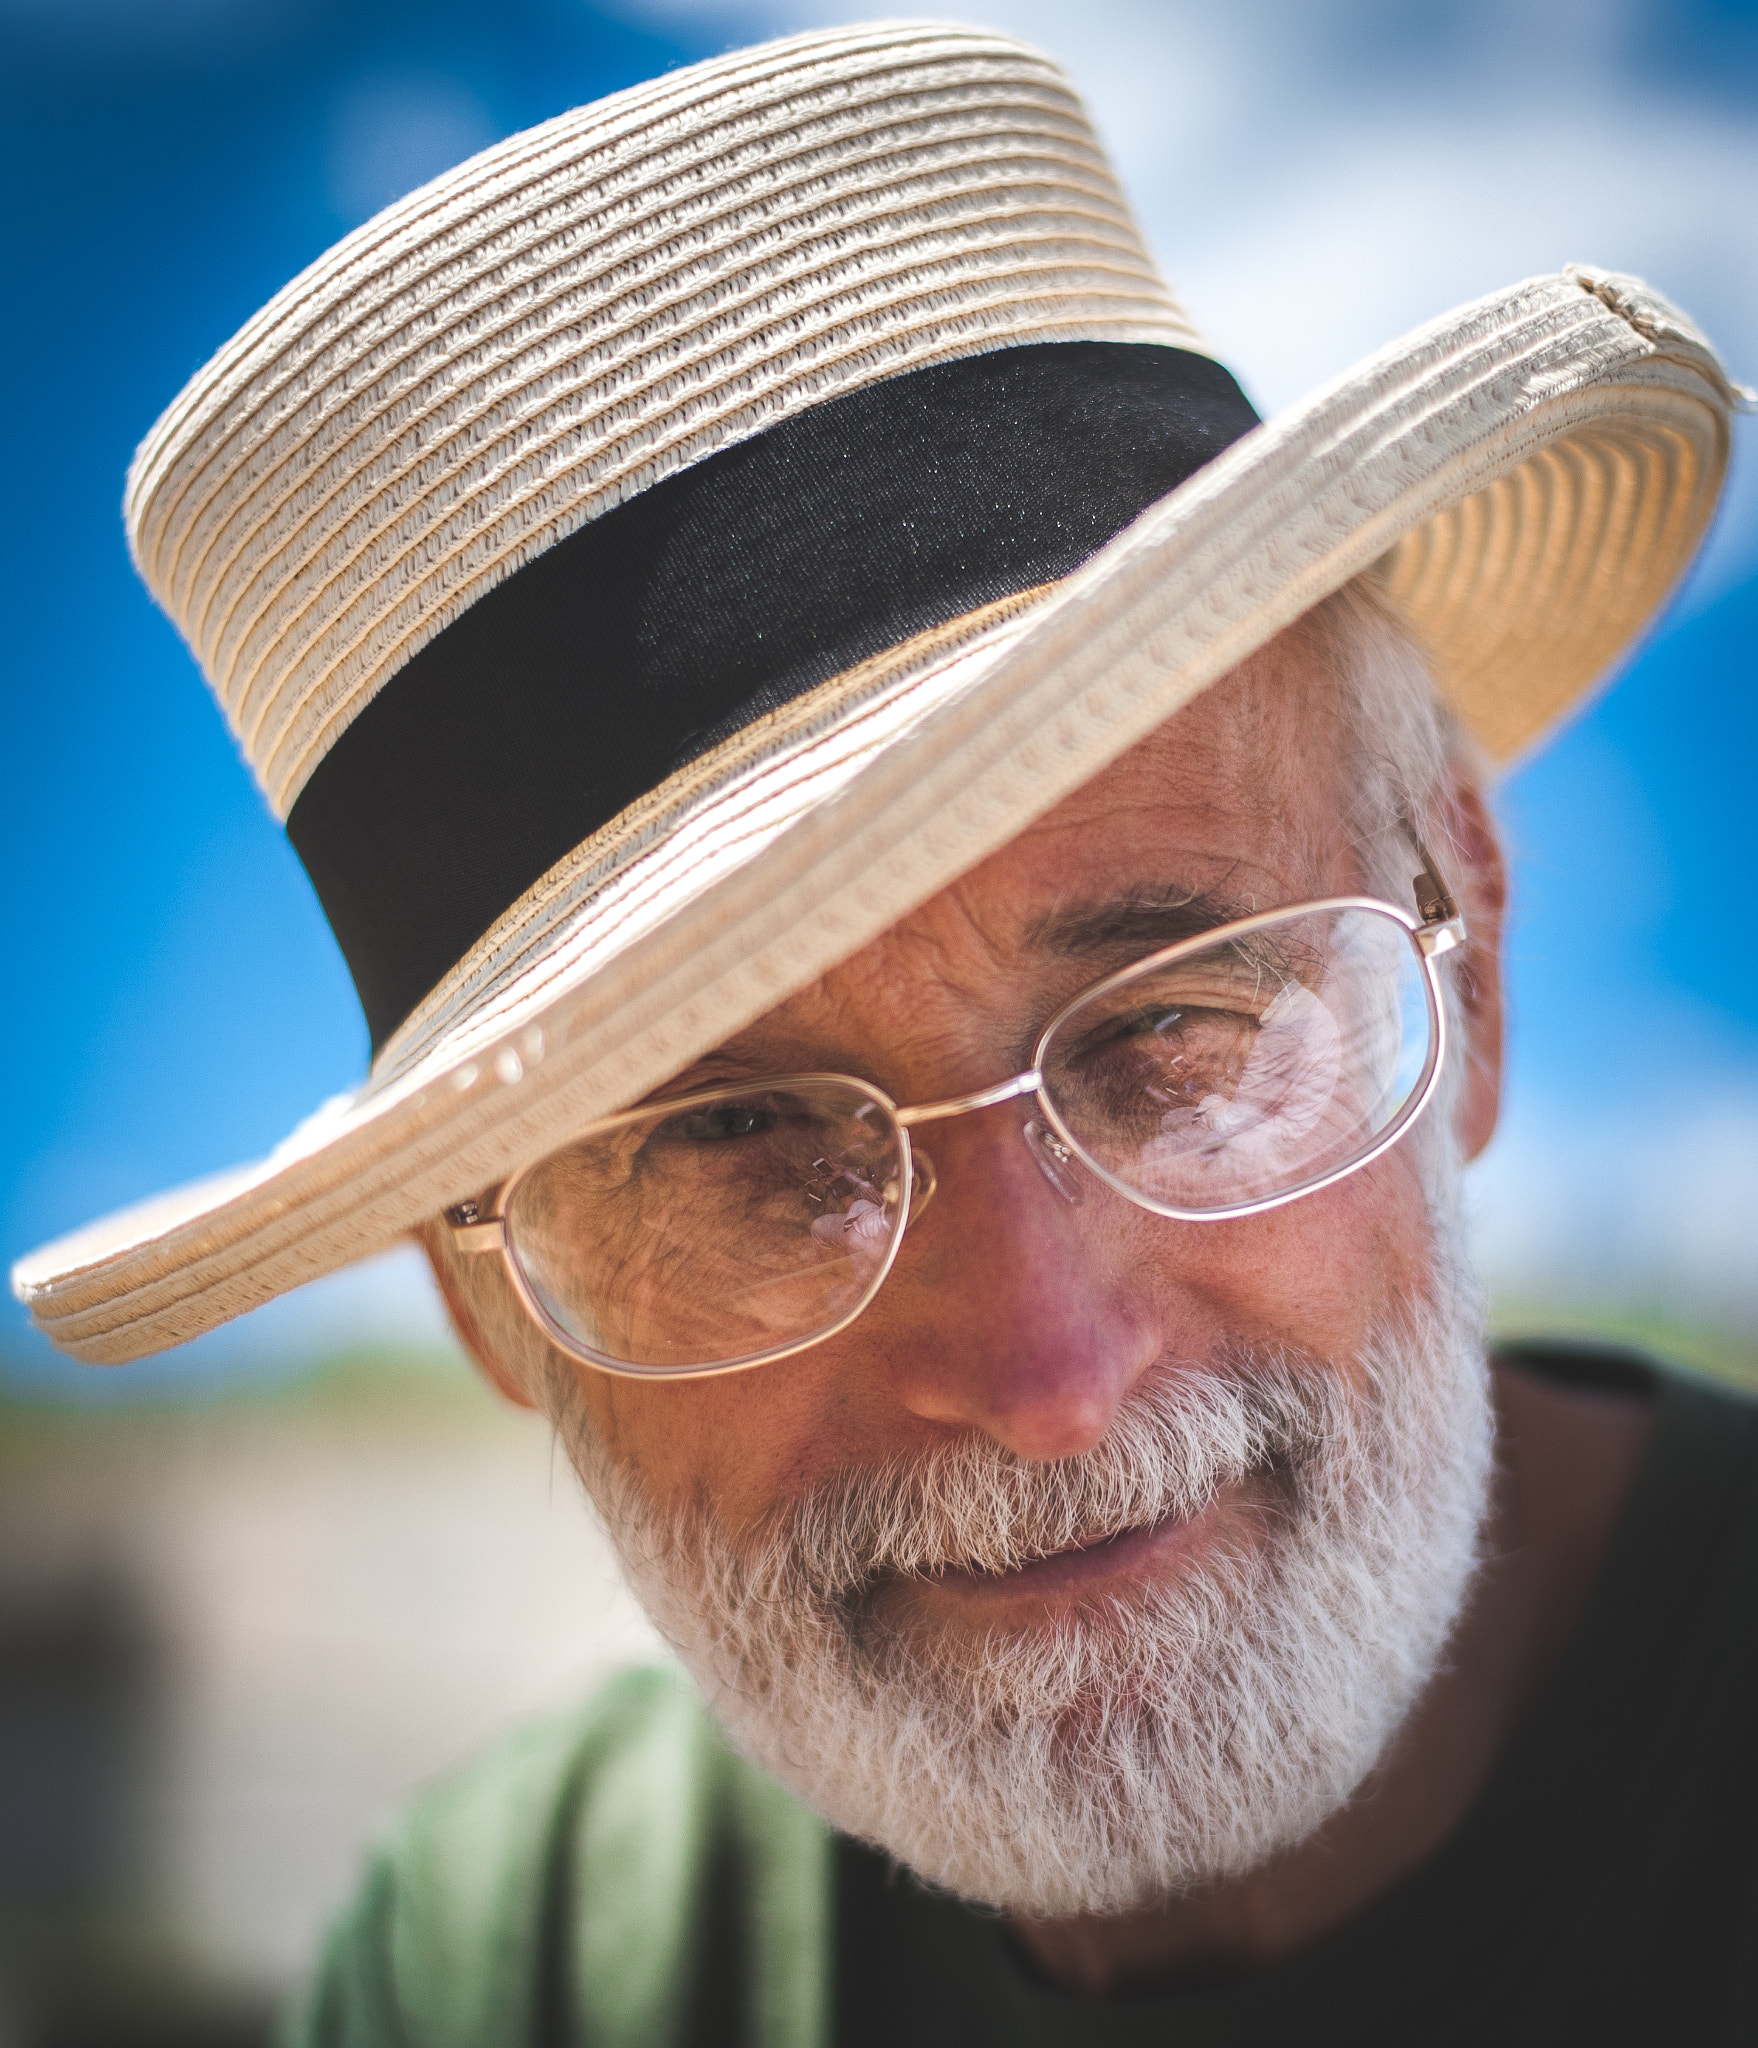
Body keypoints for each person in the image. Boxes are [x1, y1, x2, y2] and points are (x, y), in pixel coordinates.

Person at [12, 20, 1751, 2047]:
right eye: (747, 1139)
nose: (1045, 1376)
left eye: (1173, 1025)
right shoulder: (520, 1963)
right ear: (488, 1305)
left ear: (1467, 959)